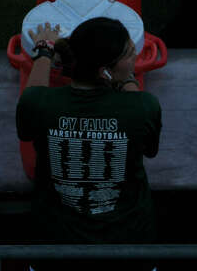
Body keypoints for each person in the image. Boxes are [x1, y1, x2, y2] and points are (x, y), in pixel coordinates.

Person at [16, 18, 161, 271]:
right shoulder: (143, 107)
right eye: (129, 53)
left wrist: (44, 51)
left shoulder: (39, 105)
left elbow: (32, 95)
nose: (136, 54)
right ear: (104, 71)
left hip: (55, 249)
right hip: (129, 249)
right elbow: (149, 149)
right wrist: (127, 80)